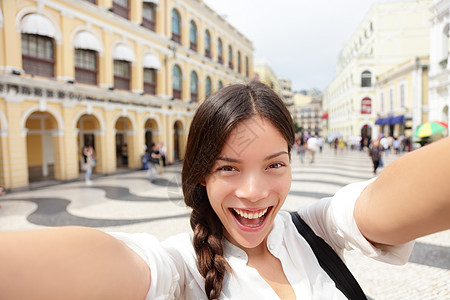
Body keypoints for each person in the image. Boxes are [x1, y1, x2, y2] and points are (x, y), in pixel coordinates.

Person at [0, 81, 450, 299]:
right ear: (201, 174)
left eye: (275, 164)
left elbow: (387, 202)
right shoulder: (182, 269)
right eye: (228, 168)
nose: (254, 192)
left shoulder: (315, 231)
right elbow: (114, 264)